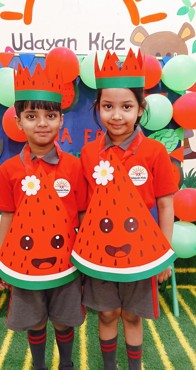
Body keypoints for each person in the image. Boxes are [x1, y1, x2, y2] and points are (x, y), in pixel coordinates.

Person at [71, 49, 178, 370]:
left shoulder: (155, 152)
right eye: (108, 107)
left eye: (127, 107)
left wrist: (164, 255)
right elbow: (83, 208)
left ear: (140, 109)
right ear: (98, 108)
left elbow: (166, 204)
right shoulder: (88, 153)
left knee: (132, 315)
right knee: (106, 313)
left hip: (143, 252)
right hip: (99, 251)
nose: (117, 115)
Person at [0, 60, 87, 370]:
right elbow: (7, 217)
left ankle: (66, 364)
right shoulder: (8, 170)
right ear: (19, 122)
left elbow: (81, 214)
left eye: (50, 115)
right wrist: (2, 260)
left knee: (65, 321)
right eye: (31, 116)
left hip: (65, 262)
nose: (41, 123)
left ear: (61, 120)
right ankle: (38, 365)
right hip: (24, 263)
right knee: (34, 321)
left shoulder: (75, 167)